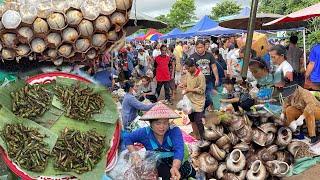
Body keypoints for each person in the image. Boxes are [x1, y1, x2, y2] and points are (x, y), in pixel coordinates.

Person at [124, 105, 196, 180]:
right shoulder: (144, 133)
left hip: (175, 160)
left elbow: (179, 150)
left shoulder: (174, 131)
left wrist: (175, 167)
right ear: (151, 124)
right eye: (158, 123)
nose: (162, 127)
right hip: (156, 162)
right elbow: (127, 138)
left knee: (188, 173)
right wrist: (134, 154)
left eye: (165, 123)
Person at [180, 58, 206, 140]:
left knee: (198, 121)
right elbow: (186, 82)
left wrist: (189, 90)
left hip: (198, 101)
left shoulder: (200, 76)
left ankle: (203, 137)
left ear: (193, 66)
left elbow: (202, 90)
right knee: (192, 119)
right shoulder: (188, 73)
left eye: (188, 68)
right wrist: (183, 84)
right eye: (186, 68)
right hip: (189, 100)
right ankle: (196, 136)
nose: (187, 70)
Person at [190, 40, 219, 113]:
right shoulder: (192, 57)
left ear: (204, 47)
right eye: (198, 47)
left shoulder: (210, 55)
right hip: (198, 82)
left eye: (201, 47)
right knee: (199, 98)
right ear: (195, 48)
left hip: (208, 81)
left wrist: (217, 78)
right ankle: (201, 114)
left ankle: (202, 110)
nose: (200, 49)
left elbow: (214, 67)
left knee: (209, 98)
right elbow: (189, 70)